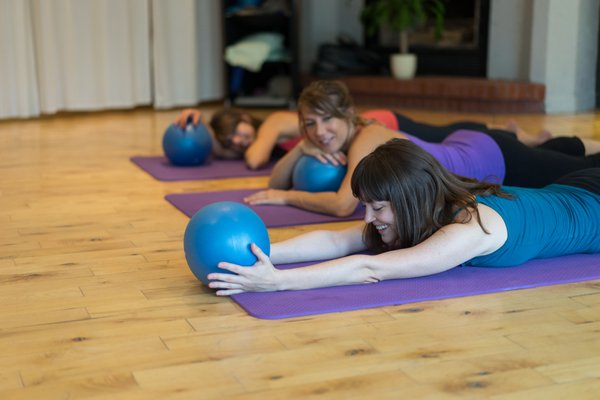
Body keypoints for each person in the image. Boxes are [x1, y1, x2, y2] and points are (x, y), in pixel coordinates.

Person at [207, 139, 600, 295]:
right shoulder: (427, 207)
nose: (369, 217)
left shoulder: (471, 230)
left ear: (410, 198)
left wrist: (276, 283)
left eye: (378, 207)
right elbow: (338, 241)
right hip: (571, 185)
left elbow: (369, 268)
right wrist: (260, 254)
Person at [243, 80, 600, 217]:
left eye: (327, 120)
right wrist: (301, 148)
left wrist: (285, 198)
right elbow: (277, 180)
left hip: (489, 158)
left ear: (348, 114)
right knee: (556, 162)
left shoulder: (368, 137)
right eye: (309, 124)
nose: (320, 132)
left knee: (576, 173)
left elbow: (341, 205)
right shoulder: (320, 138)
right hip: (464, 144)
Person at [175, 101, 555, 170]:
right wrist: (202, 124)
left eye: (236, 131)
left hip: (375, 122)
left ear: (244, 116)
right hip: (358, 130)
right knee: (442, 135)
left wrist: (209, 124)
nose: (238, 140)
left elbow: (254, 159)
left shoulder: (272, 121)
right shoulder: (267, 135)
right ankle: (510, 136)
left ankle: (515, 137)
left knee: (444, 135)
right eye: (229, 141)